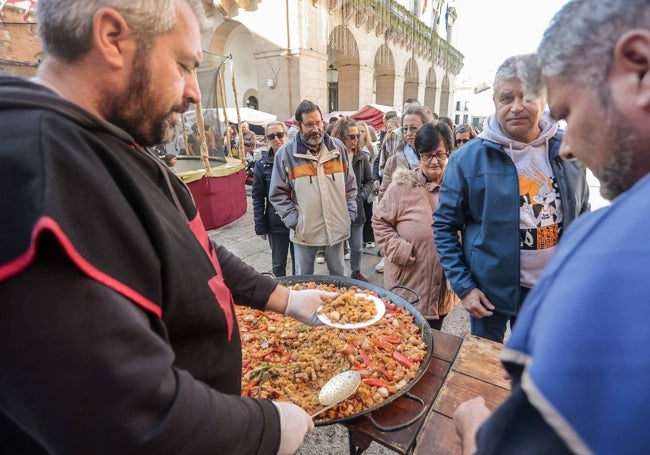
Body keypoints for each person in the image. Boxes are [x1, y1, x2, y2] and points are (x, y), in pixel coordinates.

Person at [0, 1, 337, 453]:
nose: (194, 92)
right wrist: (264, 429)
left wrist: (286, 299)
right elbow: (120, 410)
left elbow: (199, 254)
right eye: (183, 65)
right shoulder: (38, 169)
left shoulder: (109, 143)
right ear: (112, 38)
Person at [454, 1, 650, 453]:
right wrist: (465, 284)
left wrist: (471, 432)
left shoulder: (611, 254)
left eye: (566, 113)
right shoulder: (470, 159)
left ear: (637, 68)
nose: (568, 146)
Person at [433, 54, 591, 344]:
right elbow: (444, 226)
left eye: (527, 96)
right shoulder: (466, 160)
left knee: (531, 366)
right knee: (483, 366)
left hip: (548, 290)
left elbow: (582, 213)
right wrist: (464, 287)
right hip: (488, 292)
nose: (516, 107)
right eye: (507, 98)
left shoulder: (571, 150)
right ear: (495, 102)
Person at [373, 122, 458, 330]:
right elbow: (379, 221)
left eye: (439, 154)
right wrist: (400, 249)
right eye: (426, 155)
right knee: (403, 338)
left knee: (434, 337)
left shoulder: (458, 187)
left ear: (449, 152)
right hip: (407, 283)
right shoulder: (401, 186)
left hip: (442, 289)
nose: (433, 161)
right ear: (419, 156)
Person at [270, 99, 357, 277]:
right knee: (303, 278)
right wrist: (295, 221)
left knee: (340, 276)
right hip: (304, 231)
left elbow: (350, 185)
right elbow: (278, 194)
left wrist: (349, 213)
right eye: (309, 124)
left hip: (337, 226)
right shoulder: (285, 154)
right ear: (298, 125)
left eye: (318, 123)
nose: (316, 129)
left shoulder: (337, 148)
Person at [332, 117, 373, 281]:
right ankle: (339, 277)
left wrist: (360, 197)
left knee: (357, 247)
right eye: (352, 136)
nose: (356, 140)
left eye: (358, 136)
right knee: (336, 249)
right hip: (335, 210)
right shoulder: (332, 156)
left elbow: (369, 181)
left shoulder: (362, 157)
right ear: (341, 137)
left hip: (356, 208)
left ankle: (355, 271)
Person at [252, 121, 294, 277]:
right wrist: (260, 226)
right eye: (271, 136)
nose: (276, 139)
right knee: (278, 264)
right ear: (267, 139)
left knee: (300, 264)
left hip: (298, 220)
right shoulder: (262, 165)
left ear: (287, 135)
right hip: (276, 222)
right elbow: (257, 196)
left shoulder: (297, 159)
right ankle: (281, 296)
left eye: (280, 135)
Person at [356, 120, 376, 248]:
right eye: (358, 131)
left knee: (368, 213)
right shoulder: (353, 148)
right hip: (357, 186)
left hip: (368, 185)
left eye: (362, 131)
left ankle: (369, 238)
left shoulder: (371, 149)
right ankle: (359, 238)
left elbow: (374, 167)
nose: (360, 134)